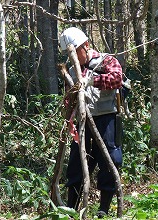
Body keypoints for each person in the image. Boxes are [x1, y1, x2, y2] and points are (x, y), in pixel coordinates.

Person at [59, 27, 123, 218]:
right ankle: (72, 210)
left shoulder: (106, 60)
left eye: (75, 52)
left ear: (85, 46)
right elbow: (69, 99)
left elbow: (117, 79)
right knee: (76, 166)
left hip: (107, 119)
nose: (73, 58)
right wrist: (68, 119)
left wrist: (92, 81)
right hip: (82, 123)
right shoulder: (70, 70)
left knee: (110, 161)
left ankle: (103, 210)